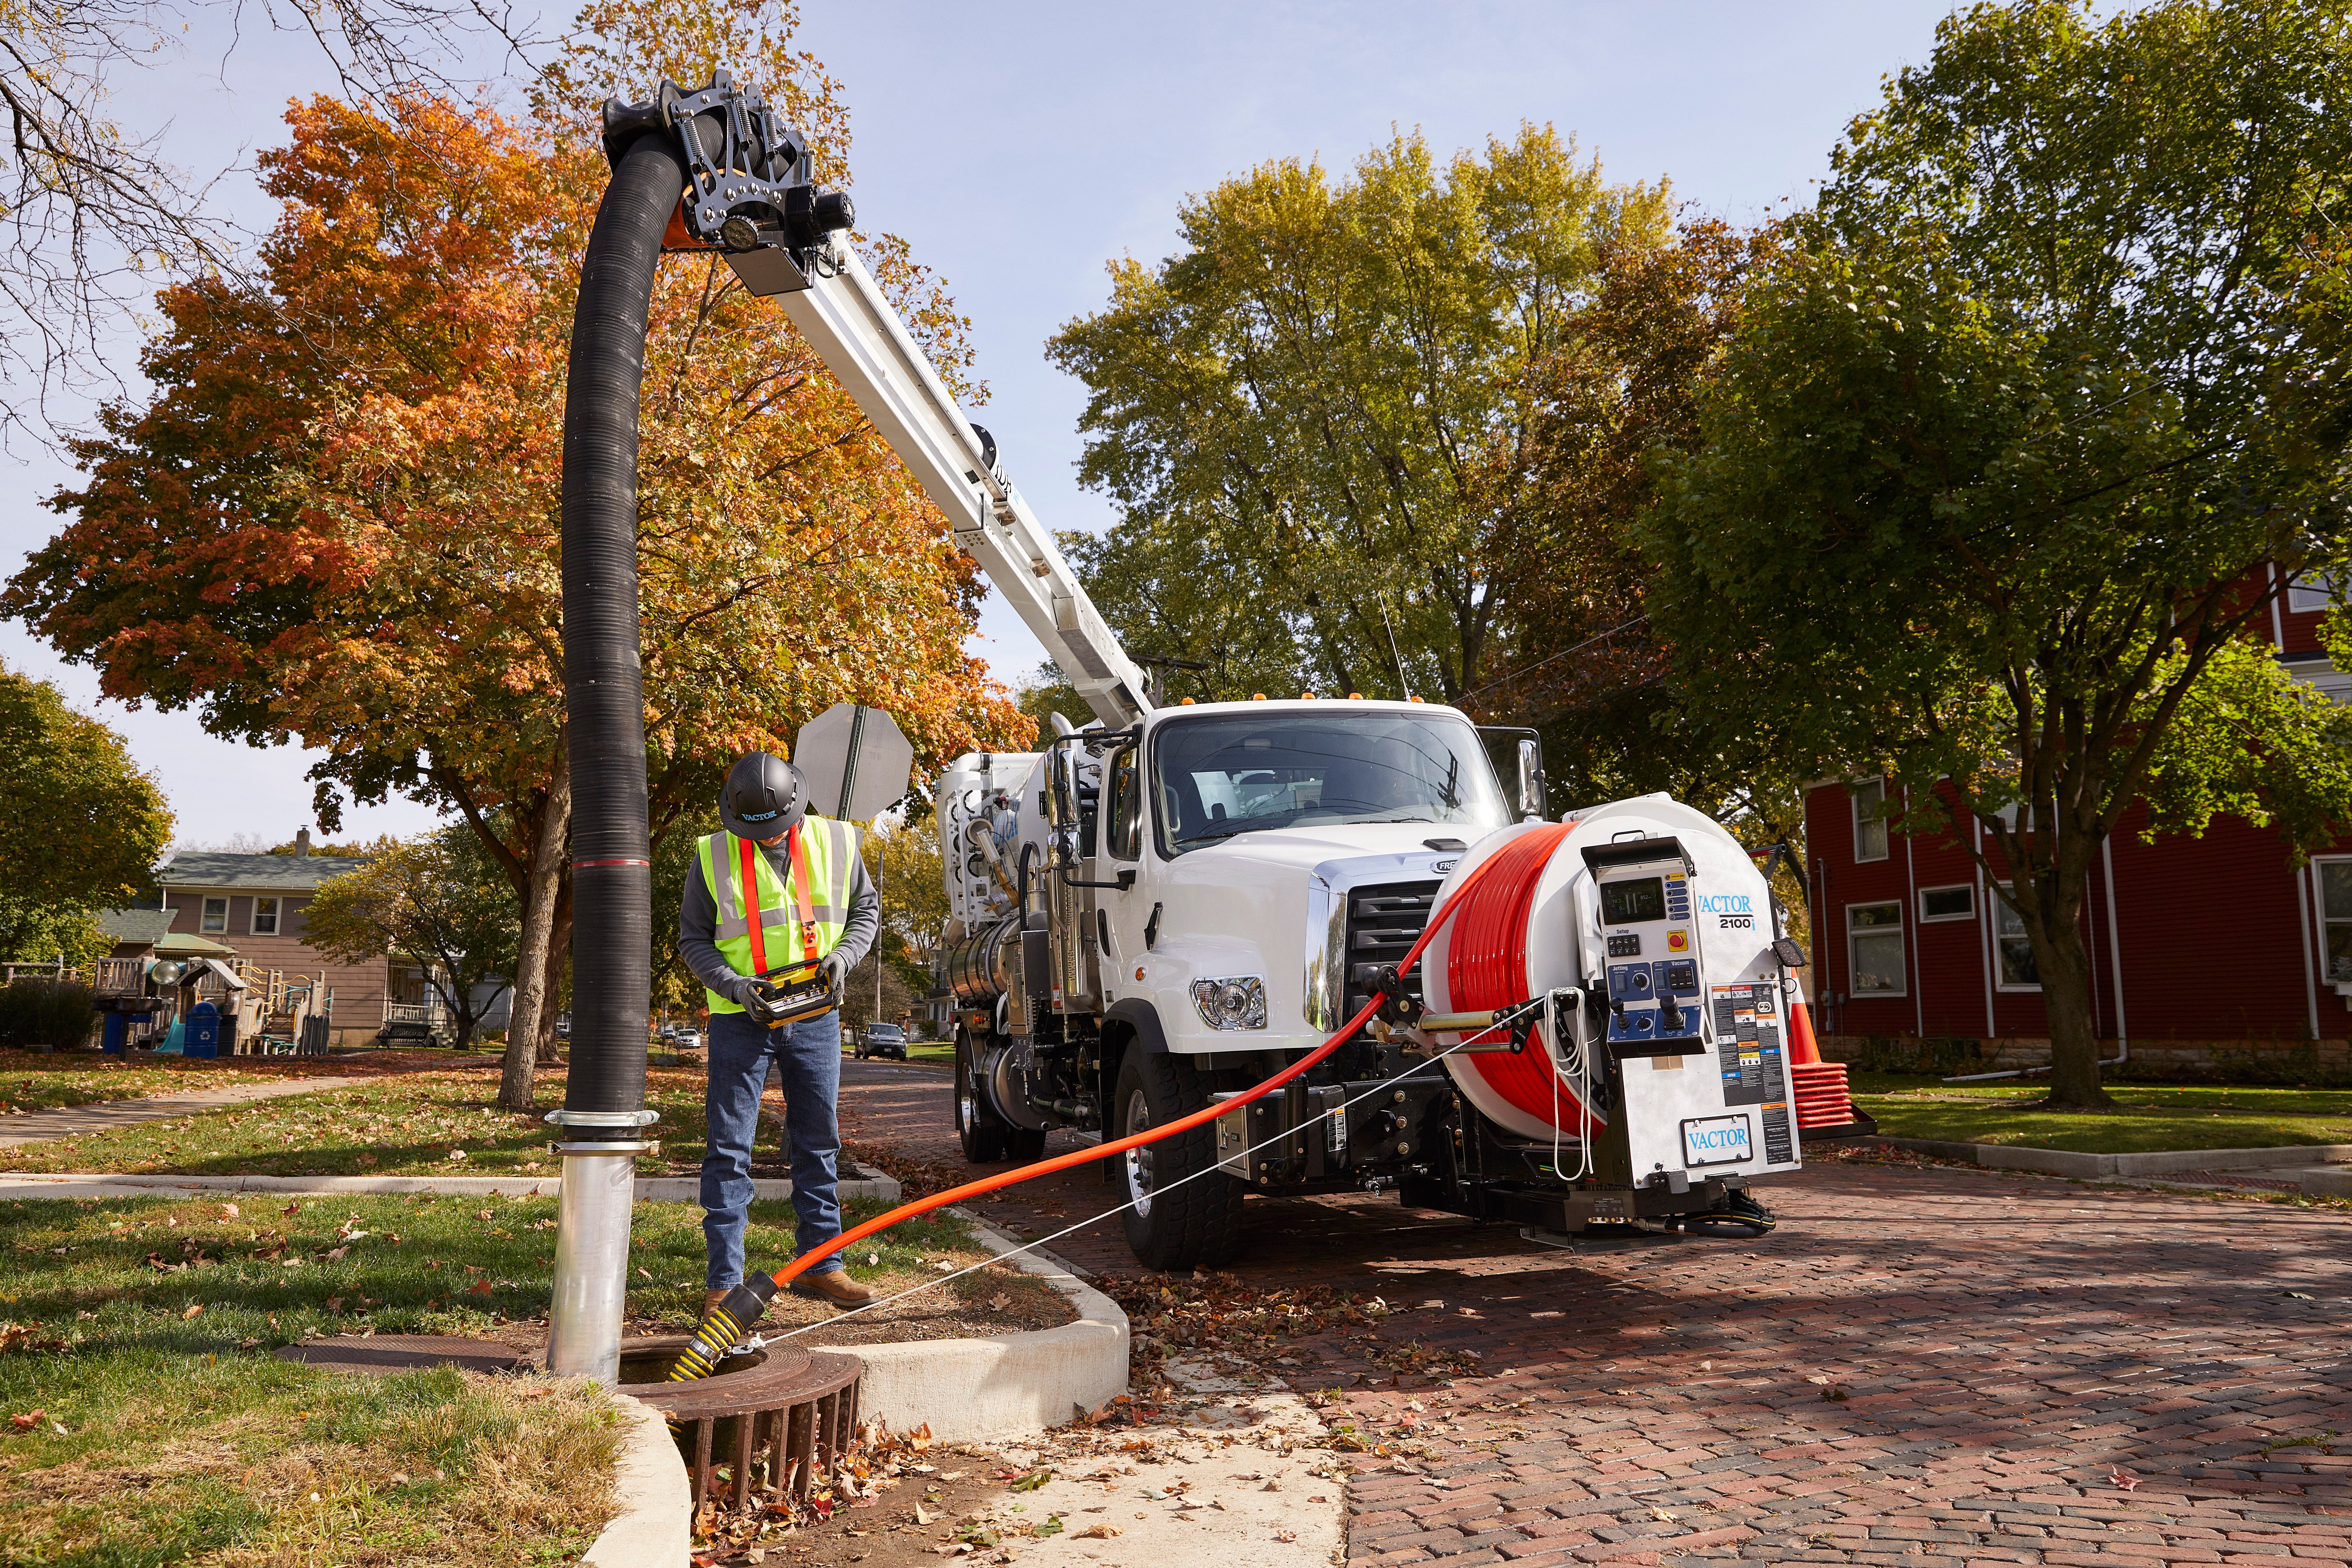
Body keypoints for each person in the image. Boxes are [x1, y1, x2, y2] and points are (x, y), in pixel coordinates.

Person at [679, 750, 882, 1315]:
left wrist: (843, 958)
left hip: (815, 1016)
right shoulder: (711, 855)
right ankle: (724, 1281)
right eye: (757, 833)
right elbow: (692, 940)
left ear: (797, 803)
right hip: (740, 1019)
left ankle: (822, 1265)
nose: (769, 839)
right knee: (729, 1148)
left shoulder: (838, 843)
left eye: (777, 829)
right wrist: (735, 984)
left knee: (819, 1143)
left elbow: (866, 911)